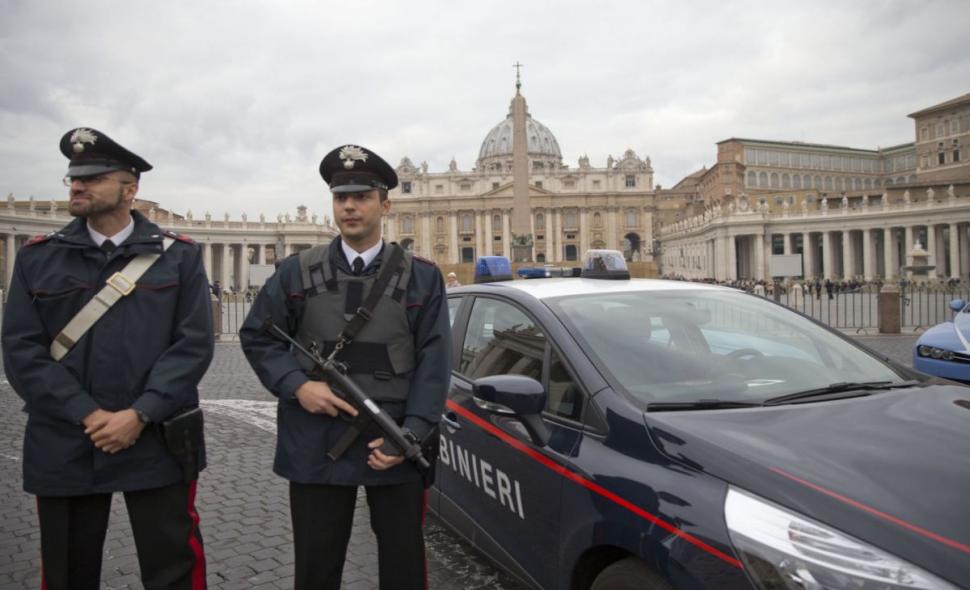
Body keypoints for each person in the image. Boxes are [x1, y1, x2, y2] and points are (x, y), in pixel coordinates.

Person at [1, 128, 214, 589]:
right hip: (66, 437)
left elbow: (193, 345)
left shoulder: (179, 258)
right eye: (74, 178)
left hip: (157, 436)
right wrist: (88, 413)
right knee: (67, 569)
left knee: (172, 565)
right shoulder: (38, 258)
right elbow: (21, 350)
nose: (78, 186)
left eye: (93, 177)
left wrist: (140, 413)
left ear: (130, 189)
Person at [239, 144, 451, 590]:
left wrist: (410, 434)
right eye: (341, 198)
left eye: (362, 196)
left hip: (392, 437)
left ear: (385, 204)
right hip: (316, 436)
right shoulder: (295, 272)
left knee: (403, 564)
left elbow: (434, 362)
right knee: (316, 565)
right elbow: (258, 334)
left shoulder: (423, 277)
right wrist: (297, 386)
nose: (349, 206)